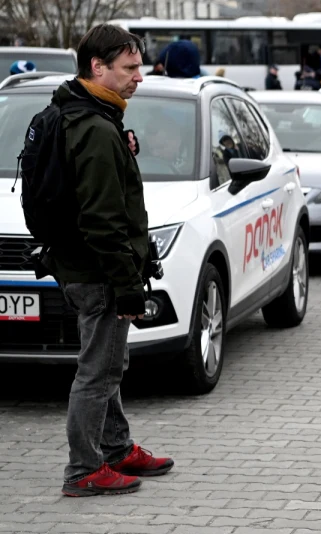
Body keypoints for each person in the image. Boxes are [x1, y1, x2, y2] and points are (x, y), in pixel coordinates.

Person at [41, 25, 174, 496]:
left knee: (109, 361)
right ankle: (83, 470)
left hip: (81, 265)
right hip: (97, 272)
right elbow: (102, 219)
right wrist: (127, 285)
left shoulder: (83, 113)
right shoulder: (95, 127)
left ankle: (116, 447)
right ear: (98, 68)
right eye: (130, 68)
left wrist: (122, 145)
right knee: (98, 371)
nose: (140, 76)